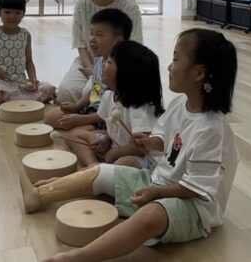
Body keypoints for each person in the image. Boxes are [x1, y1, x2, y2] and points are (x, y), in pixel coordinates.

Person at [21, 28, 238, 262]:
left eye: (175, 59)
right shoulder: (179, 105)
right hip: (157, 181)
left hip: (193, 206)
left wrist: (156, 193)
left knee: (151, 216)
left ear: (199, 73)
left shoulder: (212, 128)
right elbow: (162, 138)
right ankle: (39, 195)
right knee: (101, 171)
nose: (169, 66)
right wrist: (149, 142)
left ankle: (76, 258)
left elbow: (196, 187)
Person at [62, 40, 164, 167]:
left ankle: (101, 171)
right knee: (74, 135)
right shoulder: (108, 96)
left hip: (138, 157)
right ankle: (93, 165)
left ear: (126, 74)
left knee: (126, 162)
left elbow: (140, 148)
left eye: (109, 62)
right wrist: (106, 141)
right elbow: (110, 126)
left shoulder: (139, 108)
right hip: (115, 146)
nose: (103, 64)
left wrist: (115, 153)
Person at [57, 0, 143, 103]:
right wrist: (91, 67)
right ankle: (85, 107)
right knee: (65, 92)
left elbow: (133, 46)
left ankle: (88, 109)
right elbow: (80, 43)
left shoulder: (129, 6)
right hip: (87, 61)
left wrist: (98, 70)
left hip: (116, 65)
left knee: (92, 93)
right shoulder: (82, 5)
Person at [44, 8, 132, 131]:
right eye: (91, 33)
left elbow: (116, 111)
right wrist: (77, 106)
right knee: (51, 117)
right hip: (92, 111)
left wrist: (81, 119)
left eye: (99, 35)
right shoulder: (99, 61)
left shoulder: (121, 68)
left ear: (118, 41)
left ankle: (94, 134)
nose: (92, 39)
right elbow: (95, 92)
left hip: (108, 119)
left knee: (80, 132)